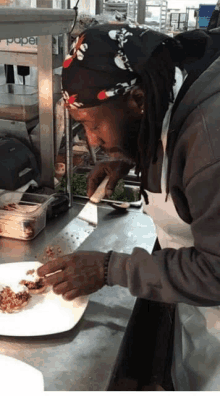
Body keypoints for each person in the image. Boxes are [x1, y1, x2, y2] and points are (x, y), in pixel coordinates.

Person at [37, 22, 220, 391]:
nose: (92, 141)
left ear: (137, 101)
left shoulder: (211, 141)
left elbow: (217, 271)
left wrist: (111, 268)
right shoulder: (171, 94)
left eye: (93, 126)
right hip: (201, 317)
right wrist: (131, 153)